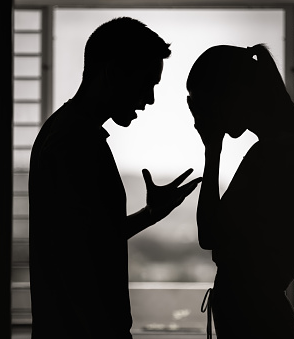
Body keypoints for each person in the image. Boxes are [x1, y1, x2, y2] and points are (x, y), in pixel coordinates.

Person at [28, 17, 202, 339]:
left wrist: (150, 214)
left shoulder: (66, 132)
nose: (149, 99)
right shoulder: (76, 143)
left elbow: (91, 238)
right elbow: (77, 263)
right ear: (113, 73)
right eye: (146, 83)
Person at [186, 44, 294, 338]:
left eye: (208, 104)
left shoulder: (272, 154)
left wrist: (213, 149)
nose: (207, 115)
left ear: (232, 94)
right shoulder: (281, 149)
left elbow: (208, 234)